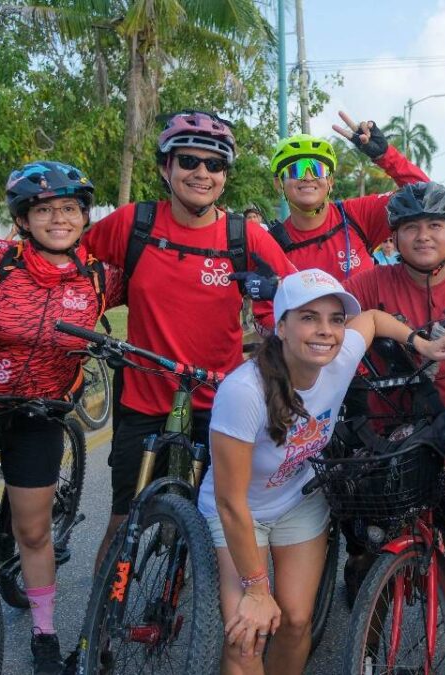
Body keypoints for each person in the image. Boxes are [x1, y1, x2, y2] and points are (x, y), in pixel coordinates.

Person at [200, 268, 445, 675]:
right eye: (308, 318)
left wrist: (423, 345)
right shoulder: (244, 392)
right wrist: (255, 587)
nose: (325, 331)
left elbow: (372, 318)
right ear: (281, 327)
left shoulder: (338, 360)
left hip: (298, 500)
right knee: (247, 636)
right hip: (241, 512)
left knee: (296, 621)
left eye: (335, 319)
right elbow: (230, 502)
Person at [82, 110, 296, 570]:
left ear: (224, 177)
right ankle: (100, 629)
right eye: (189, 161)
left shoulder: (244, 236)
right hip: (143, 397)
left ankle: (204, 608)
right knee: (124, 520)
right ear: (166, 168)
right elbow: (74, 269)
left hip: (219, 400)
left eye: (214, 165)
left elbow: (295, 298)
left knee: (221, 516)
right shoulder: (132, 223)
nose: (201, 173)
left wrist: (271, 333)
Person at [0, 161, 123, 673]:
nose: (59, 218)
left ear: (84, 216)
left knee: (34, 533)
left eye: (69, 208)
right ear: (23, 218)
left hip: (41, 414)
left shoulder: (101, 277)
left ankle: (44, 631)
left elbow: (167, 289)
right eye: (44, 209)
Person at [343, 182, 445, 674]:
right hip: (387, 427)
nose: (423, 236)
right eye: (410, 227)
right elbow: (337, 338)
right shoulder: (369, 283)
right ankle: (367, 644)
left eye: (434, 225)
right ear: (394, 237)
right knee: (371, 541)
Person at [267, 112, 428, 279]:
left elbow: (424, 196)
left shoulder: (357, 216)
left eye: (317, 169)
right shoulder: (270, 246)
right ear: (279, 183)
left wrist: (385, 156)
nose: (308, 177)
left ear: (330, 181)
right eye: (296, 170)